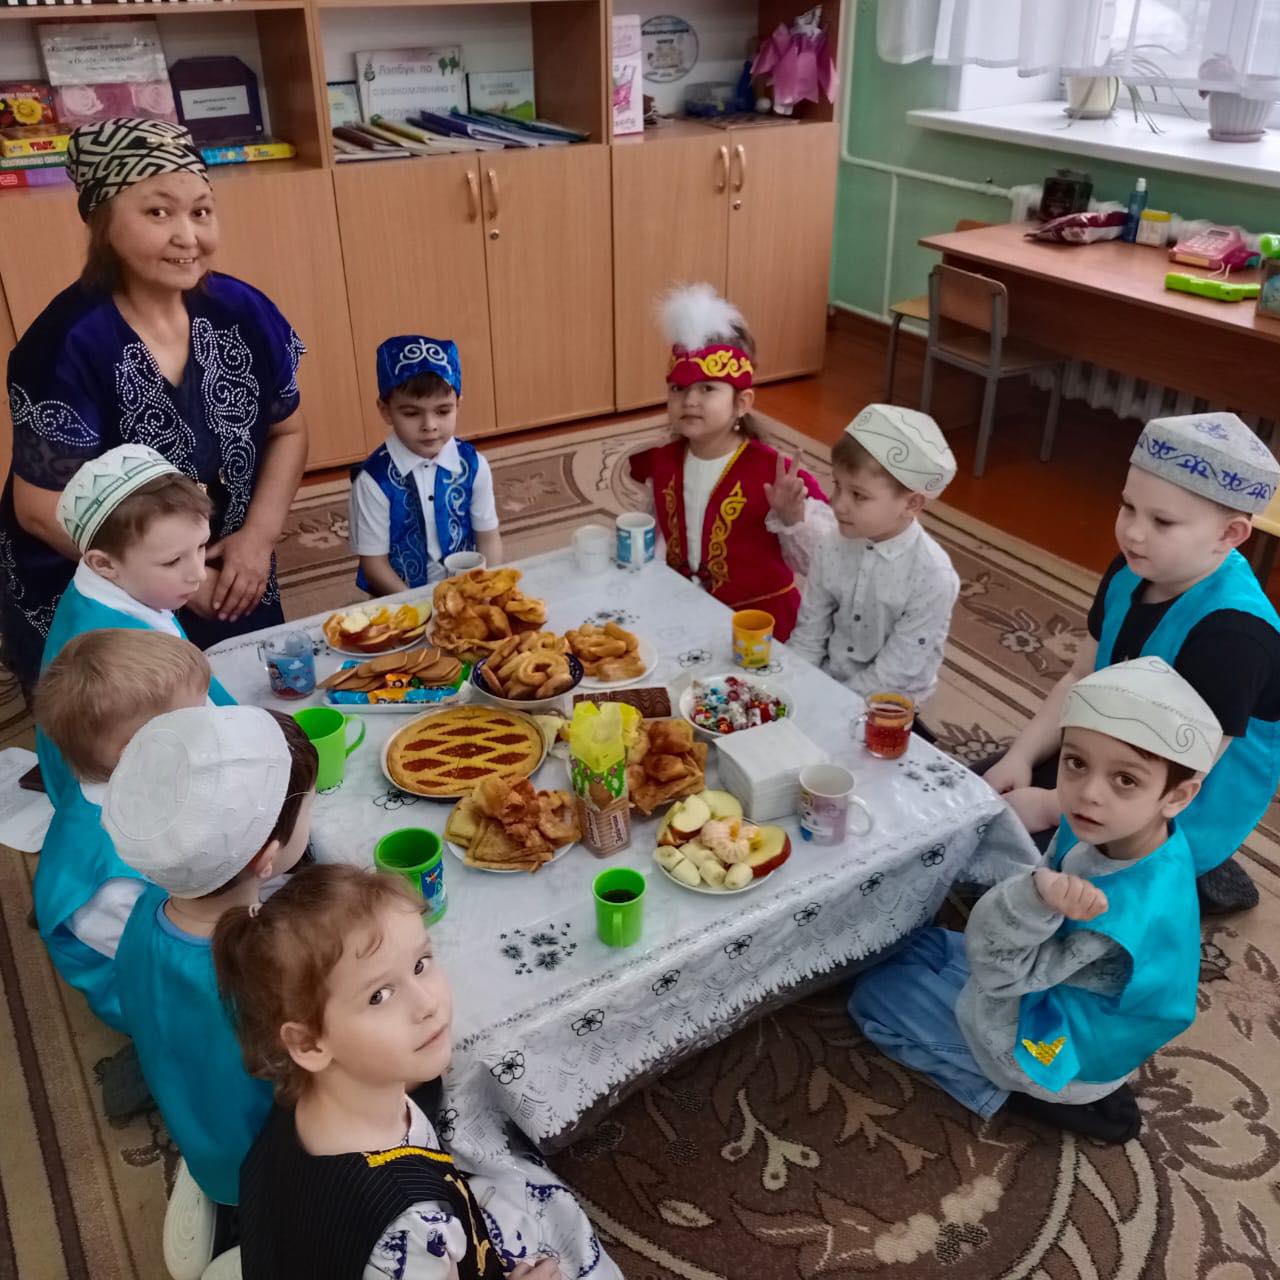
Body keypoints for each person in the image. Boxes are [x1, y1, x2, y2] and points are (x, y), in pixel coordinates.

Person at [850, 657, 1220, 1145]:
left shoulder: (1113, 920)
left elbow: (998, 968)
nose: (1088, 794)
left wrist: (1032, 897)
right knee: (915, 945)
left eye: (1125, 780)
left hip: (1047, 1045)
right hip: (1057, 986)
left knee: (872, 996)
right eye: (1076, 763)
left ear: (1178, 796)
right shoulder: (1127, 828)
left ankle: (1009, 1090)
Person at [0, 117, 308, 693]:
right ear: (102, 223)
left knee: (258, 698)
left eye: (201, 211)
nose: (188, 236)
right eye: (158, 212)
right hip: (104, 575)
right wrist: (175, 579)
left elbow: (288, 431)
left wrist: (258, 538)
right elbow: (40, 509)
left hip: (224, 553)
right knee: (132, 724)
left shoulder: (243, 311)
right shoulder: (64, 346)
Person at [215, 864, 620, 1280]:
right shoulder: (410, 1230)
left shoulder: (305, 1096)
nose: (427, 1003)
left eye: (421, 963)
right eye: (379, 995)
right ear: (309, 1044)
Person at [984, 411, 1280, 915]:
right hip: (1113, 748)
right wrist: (1022, 755)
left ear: (1229, 534)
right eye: (1128, 507)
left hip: (1178, 791)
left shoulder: (1235, 637)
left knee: (1036, 888)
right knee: (978, 794)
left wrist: (1053, 806)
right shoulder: (1130, 568)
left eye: (1162, 522)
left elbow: (1182, 775)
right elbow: (1080, 677)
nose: (1133, 533)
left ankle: (1196, 871)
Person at [101, 704, 318, 1271]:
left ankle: (219, 1197)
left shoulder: (147, 909)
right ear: (267, 858)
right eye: (312, 806)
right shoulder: (264, 972)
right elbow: (313, 1076)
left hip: (195, 1126)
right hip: (274, 1162)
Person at [627, 284, 834, 641]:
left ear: (742, 403)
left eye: (708, 388)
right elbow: (660, 532)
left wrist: (793, 518)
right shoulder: (663, 462)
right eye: (678, 388)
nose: (690, 400)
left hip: (759, 625)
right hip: (681, 609)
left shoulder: (775, 475)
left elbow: (827, 564)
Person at [32, 631, 212, 1037]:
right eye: (196, 721)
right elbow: (176, 961)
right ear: (134, 748)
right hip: (157, 995)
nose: (211, 729)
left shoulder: (130, 777)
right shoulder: (112, 885)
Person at [35, 443, 236, 806]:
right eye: (172, 561)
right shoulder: (112, 649)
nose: (199, 574)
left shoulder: (115, 586)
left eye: (201, 546)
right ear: (103, 564)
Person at [788, 404, 960, 708]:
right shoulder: (832, 545)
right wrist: (792, 686)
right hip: (828, 682)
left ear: (911, 504)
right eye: (837, 485)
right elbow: (809, 633)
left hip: (891, 705)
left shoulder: (933, 577)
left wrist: (827, 704)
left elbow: (895, 673)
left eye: (858, 495)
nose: (837, 504)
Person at [350, 336, 502, 596]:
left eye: (443, 411)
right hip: (399, 598)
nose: (429, 425)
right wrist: (421, 606)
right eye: (411, 413)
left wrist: (486, 590)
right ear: (385, 410)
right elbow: (374, 566)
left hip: (465, 593)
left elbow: (488, 539)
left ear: (458, 405)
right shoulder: (374, 480)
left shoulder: (474, 465)